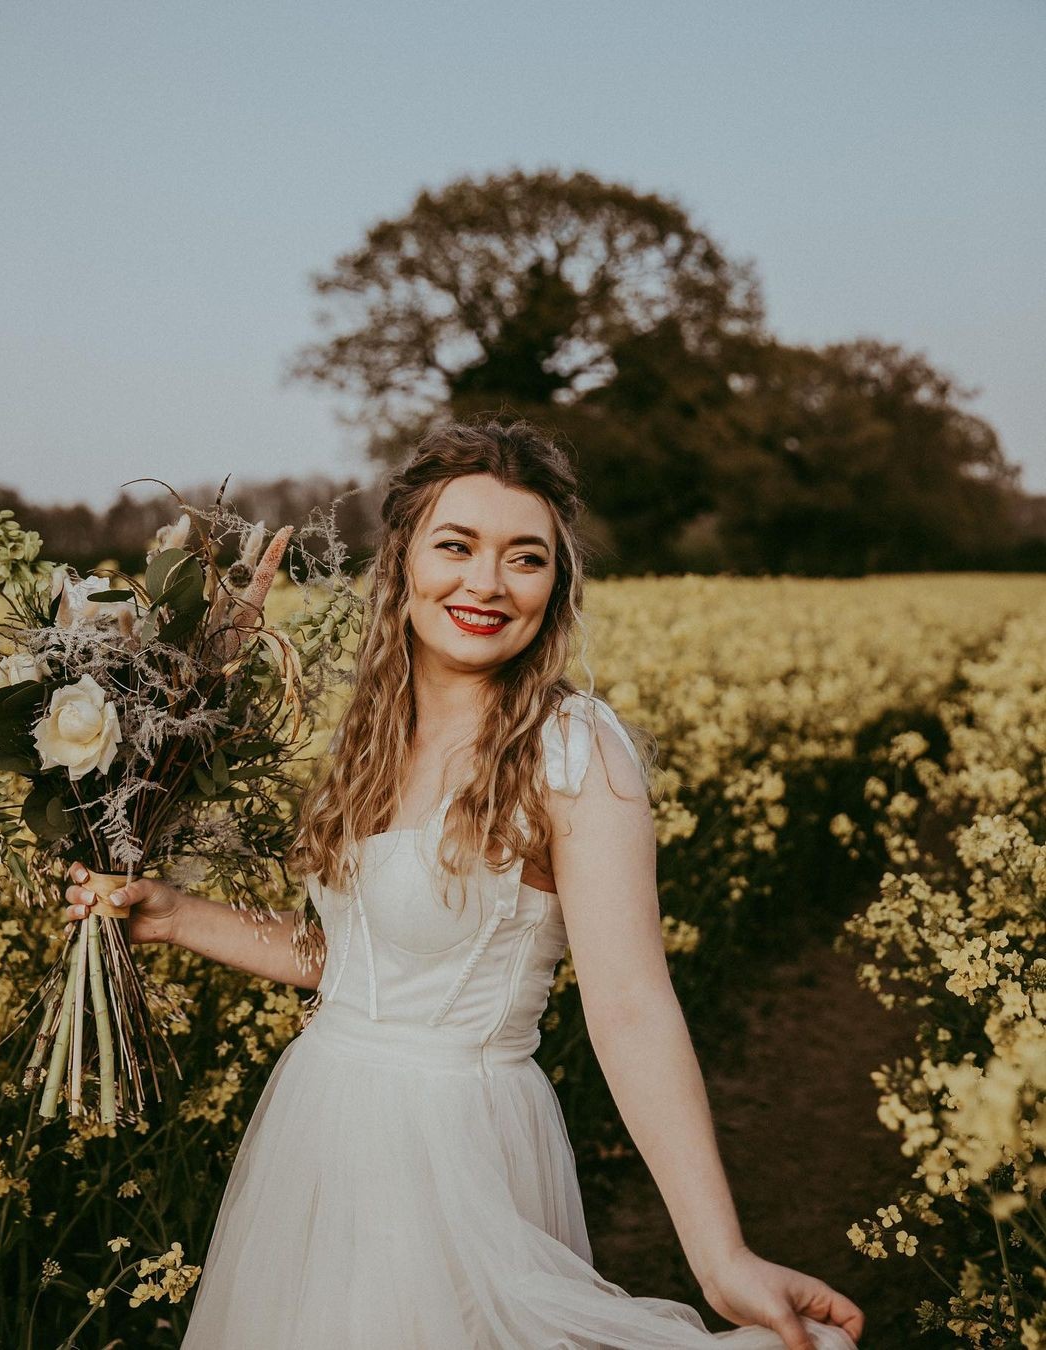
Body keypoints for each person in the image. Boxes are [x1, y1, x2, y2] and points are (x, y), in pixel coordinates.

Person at [64, 417, 865, 1350]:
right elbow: (363, 963)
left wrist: (720, 1255)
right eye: (457, 546)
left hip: (454, 1155)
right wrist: (176, 915)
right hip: (320, 1131)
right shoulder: (368, 736)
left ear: (555, 586)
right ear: (402, 560)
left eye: (525, 558)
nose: (486, 583)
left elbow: (633, 1005)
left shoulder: (573, 749)